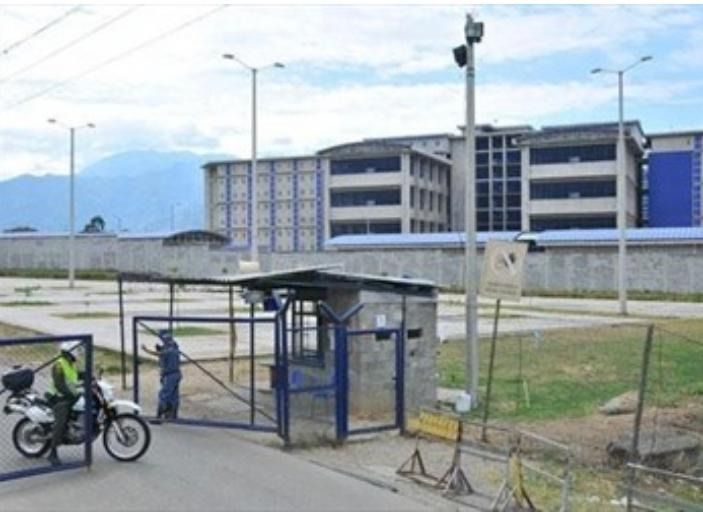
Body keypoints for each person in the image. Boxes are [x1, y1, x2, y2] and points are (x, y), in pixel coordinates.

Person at [46, 341, 82, 466]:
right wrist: (74, 394)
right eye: (76, 350)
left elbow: (75, 376)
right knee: (61, 421)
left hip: (66, 396)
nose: (78, 353)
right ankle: (53, 453)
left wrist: (91, 377)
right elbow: (59, 384)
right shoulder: (59, 365)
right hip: (56, 397)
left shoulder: (70, 363)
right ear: (70, 351)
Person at [141, 329, 182, 421]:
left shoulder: (169, 348)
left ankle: (159, 417)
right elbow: (165, 353)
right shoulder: (174, 345)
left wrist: (146, 350)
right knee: (173, 396)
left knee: (164, 395)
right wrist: (160, 348)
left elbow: (161, 354)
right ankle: (172, 415)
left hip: (169, 375)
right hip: (175, 374)